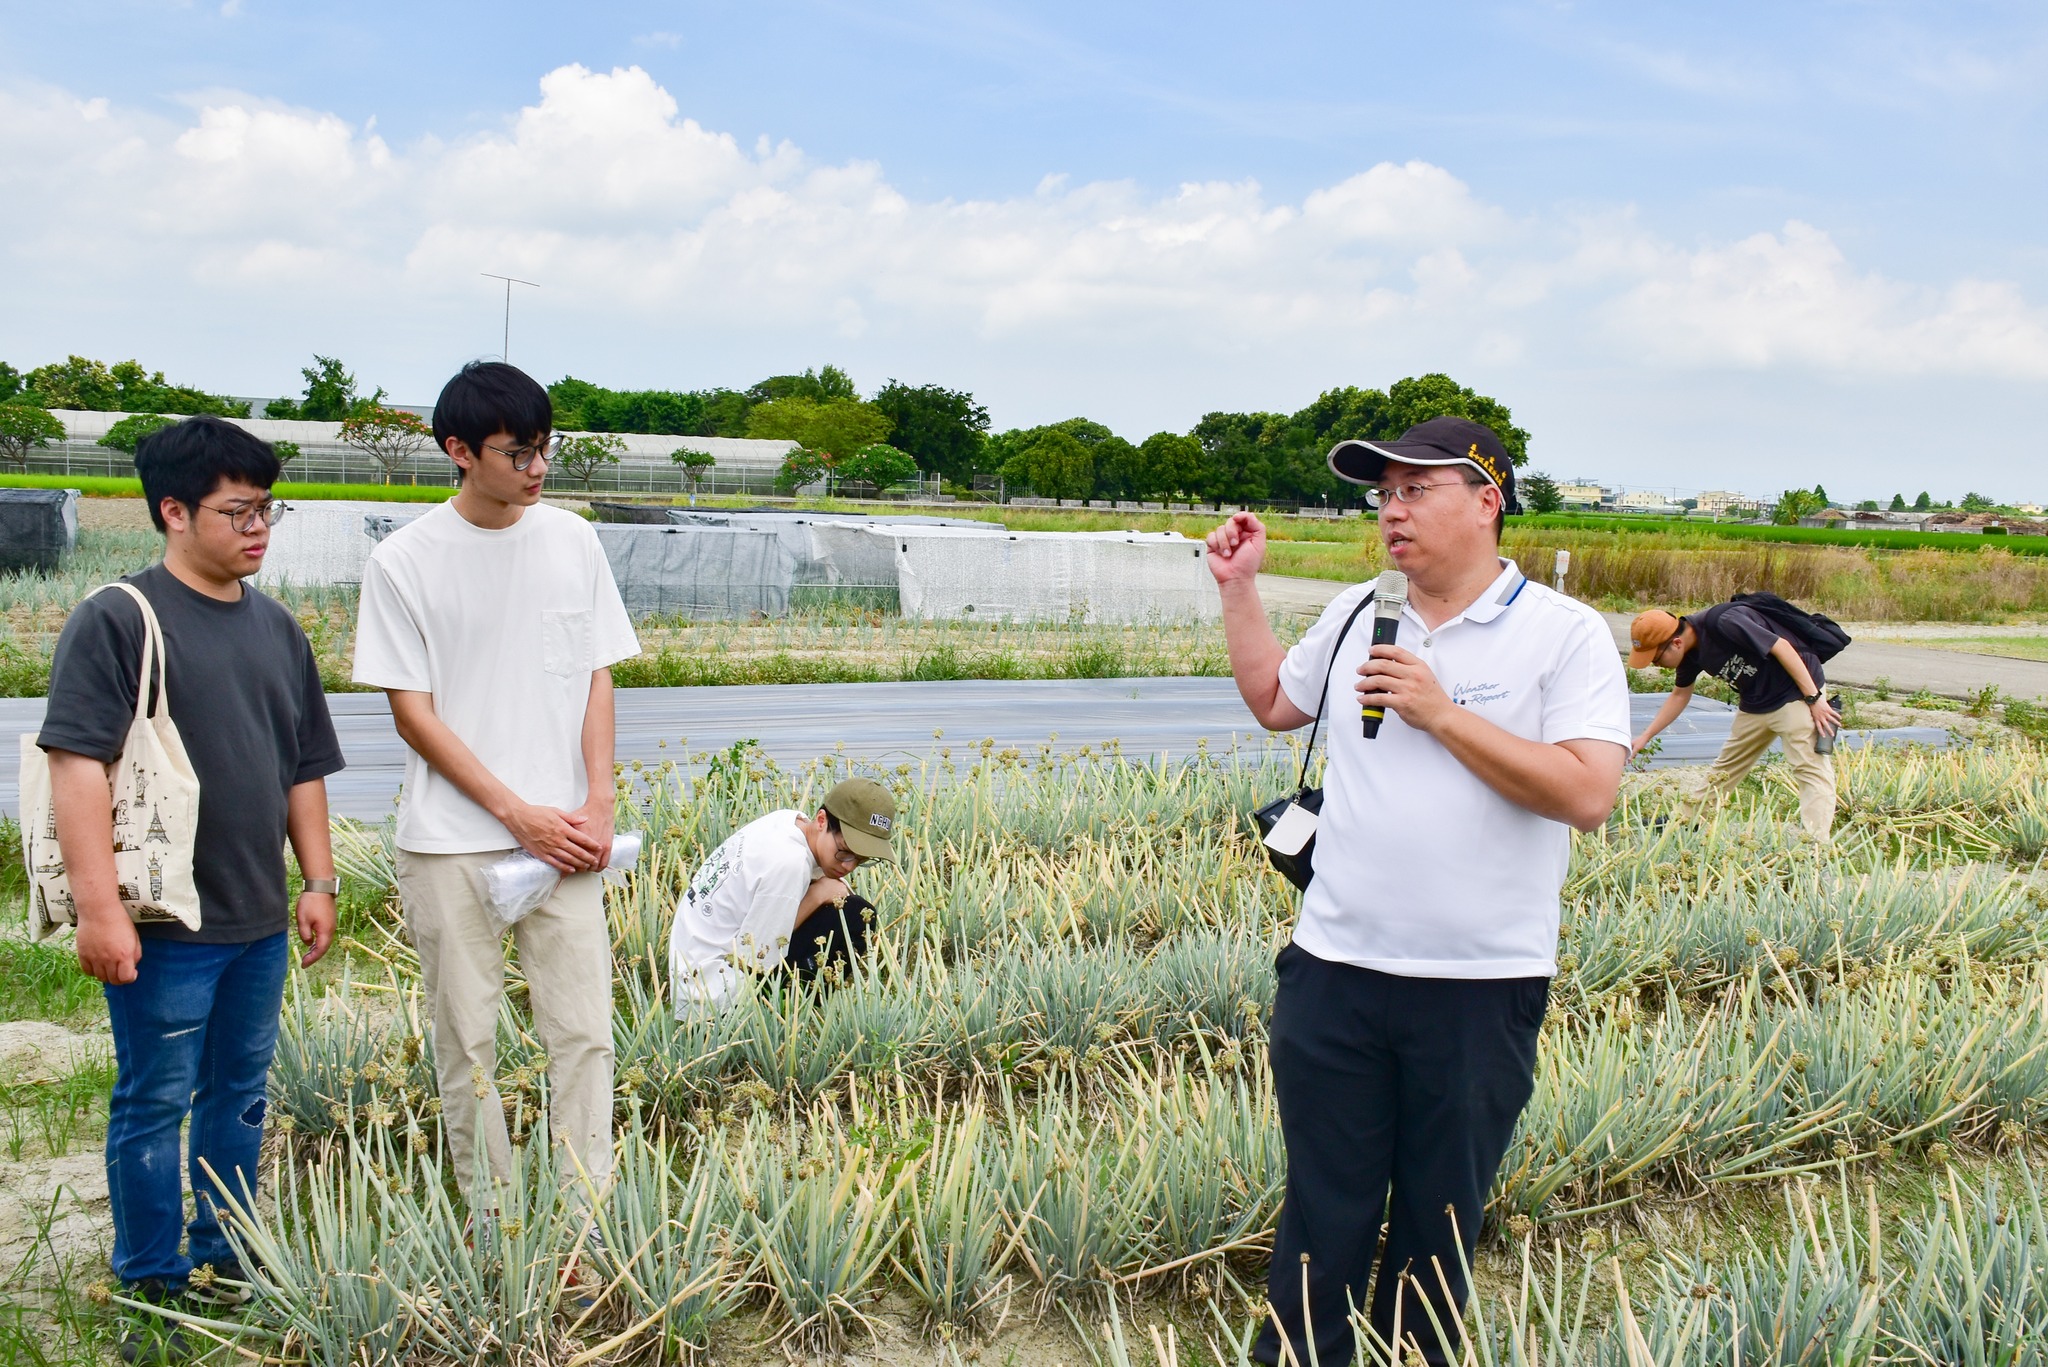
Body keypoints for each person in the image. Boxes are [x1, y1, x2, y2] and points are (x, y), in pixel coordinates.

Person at [1204, 416, 1630, 1367]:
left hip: (1478, 988)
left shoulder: (1563, 634)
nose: (1391, 510)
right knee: (1321, 1220)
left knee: (1436, 1234)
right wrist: (1238, 588)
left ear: (1487, 501)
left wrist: (1440, 713)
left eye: (1415, 490)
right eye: (1383, 493)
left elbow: (1587, 794)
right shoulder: (1358, 610)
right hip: (1334, 971)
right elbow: (1275, 702)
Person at [39, 417, 343, 1361]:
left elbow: (302, 766)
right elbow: (76, 765)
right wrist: (99, 910)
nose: (259, 529)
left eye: (267, 510)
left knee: (240, 1093)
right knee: (155, 1097)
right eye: (237, 511)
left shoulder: (277, 626)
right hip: (165, 922)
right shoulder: (120, 617)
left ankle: (226, 1258)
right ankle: (151, 1279)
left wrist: (319, 879)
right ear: (173, 511)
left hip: (256, 919)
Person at [351, 362, 639, 1204]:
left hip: (569, 838)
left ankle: (587, 1221)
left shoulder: (573, 540)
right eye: (518, 452)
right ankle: (494, 1220)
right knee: (467, 1042)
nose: (538, 468)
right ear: (460, 450)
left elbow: (595, 674)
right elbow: (414, 716)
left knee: (584, 1032)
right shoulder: (404, 561)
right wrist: (519, 815)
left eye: (545, 448)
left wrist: (598, 803)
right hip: (452, 842)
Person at [667, 777, 898, 1013]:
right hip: (712, 998)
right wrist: (817, 895)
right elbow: (758, 953)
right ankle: (789, 1016)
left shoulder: (787, 821)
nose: (849, 866)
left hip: (694, 971)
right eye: (845, 852)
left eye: (861, 859)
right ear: (821, 820)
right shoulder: (790, 863)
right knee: (855, 915)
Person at [1627, 602, 1840, 841]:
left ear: (1676, 643)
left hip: (1794, 694)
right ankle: (1688, 820)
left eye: (1656, 659)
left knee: (1809, 768)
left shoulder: (1725, 622)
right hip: (1756, 702)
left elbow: (1782, 647)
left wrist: (1814, 698)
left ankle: (1814, 843)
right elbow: (1679, 696)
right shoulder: (1688, 653)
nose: (1656, 666)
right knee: (1725, 768)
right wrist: (1646, 736)